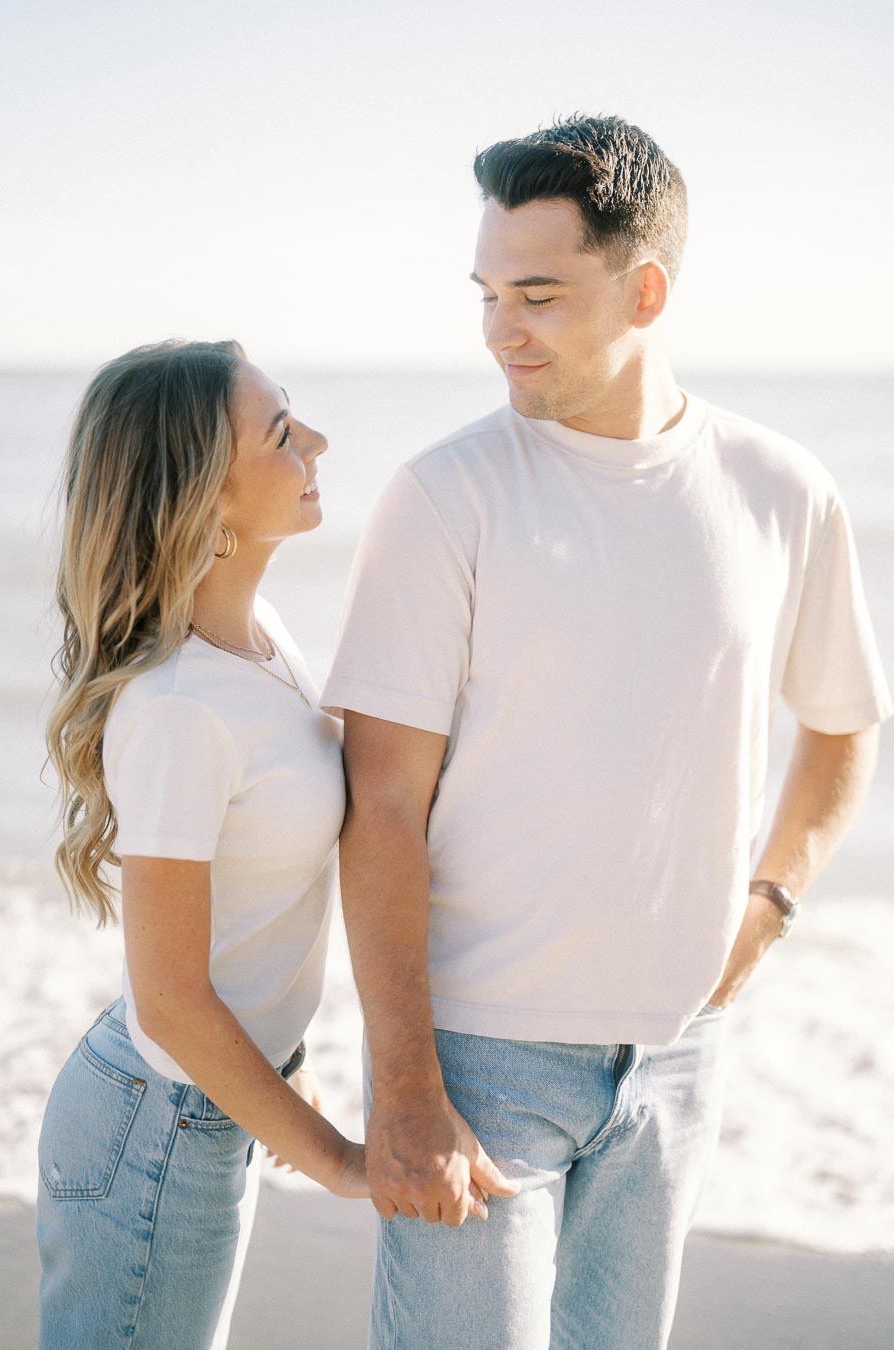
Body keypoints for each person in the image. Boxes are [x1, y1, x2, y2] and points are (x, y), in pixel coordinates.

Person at [321, 116, 893, 1349]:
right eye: (484, 294)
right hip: (479, 1060)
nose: (497, 331)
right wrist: (409, 1089)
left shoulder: (782, 489)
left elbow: (844, 727)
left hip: (680, 1055)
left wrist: (771, 902)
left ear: (646, 289)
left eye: (537, 294)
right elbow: (379, 807)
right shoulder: (445, 496)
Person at [38, 339, 376, 1350]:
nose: (316, 441)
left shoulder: (262, 634)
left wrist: (291, 1054)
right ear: (206, 500)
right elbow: (174, 1001)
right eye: (280, 434)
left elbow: (253, 905)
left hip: (204, 1108)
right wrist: (339, 1162)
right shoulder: (181, 709)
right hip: (159, 1126)